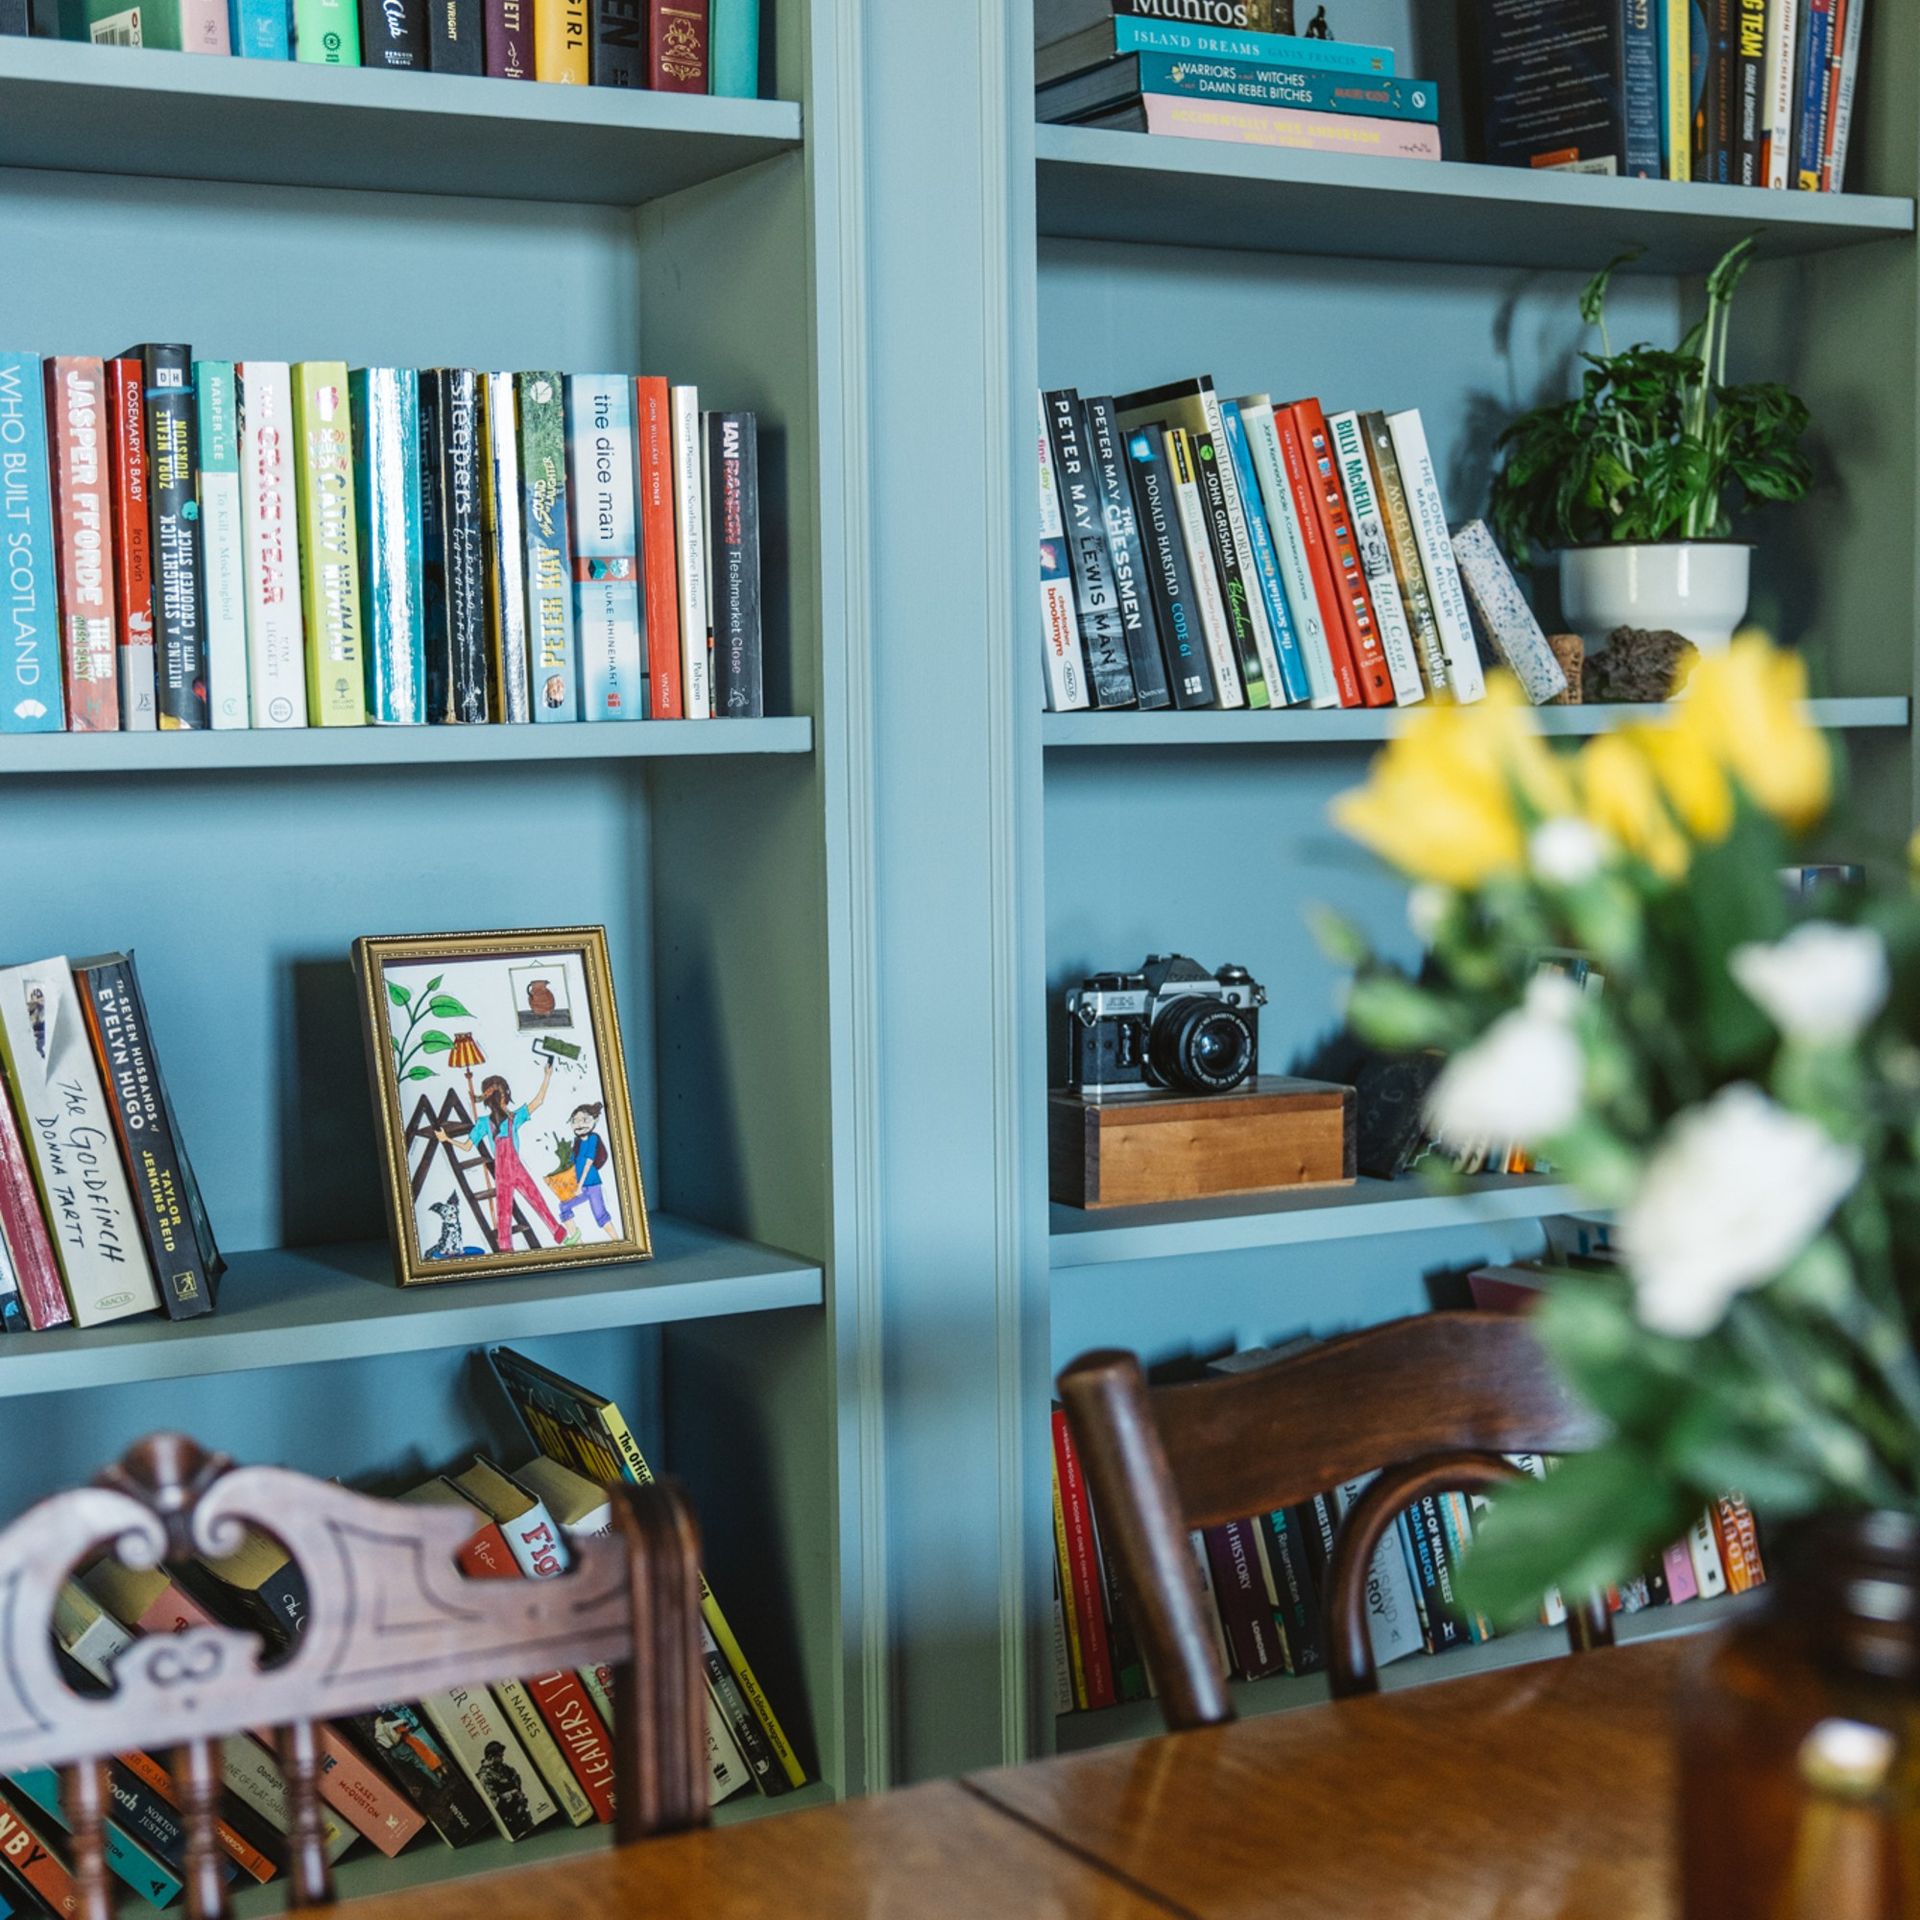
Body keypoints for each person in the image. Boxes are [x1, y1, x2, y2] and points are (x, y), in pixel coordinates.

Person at [433, 1059, 566, 1253]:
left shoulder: (513, 1118)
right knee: (505, 1210)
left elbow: (538, 1101)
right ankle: (508, 1247)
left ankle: (555, 1230)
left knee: (533, 1200)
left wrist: (547, 1076)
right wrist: (446, 1139)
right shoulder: (485, 1123)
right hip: (504, 1172)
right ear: (503, 1097)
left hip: (515, 1168)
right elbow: (467, 1146)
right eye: (504, 1095)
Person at [557, 1101, 615, 1244]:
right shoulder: (577, 1141)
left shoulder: (593, 1138)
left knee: (601, 1216)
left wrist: (579, 1185)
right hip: (581, 1186)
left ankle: (618, 1241)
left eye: (584, 1120)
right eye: (575, 1121)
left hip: (592, 1184)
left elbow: (589, 1162)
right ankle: (578, 1242)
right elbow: (571, 1163)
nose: (579, 1124)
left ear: (594, 1120)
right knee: (564, 1206)